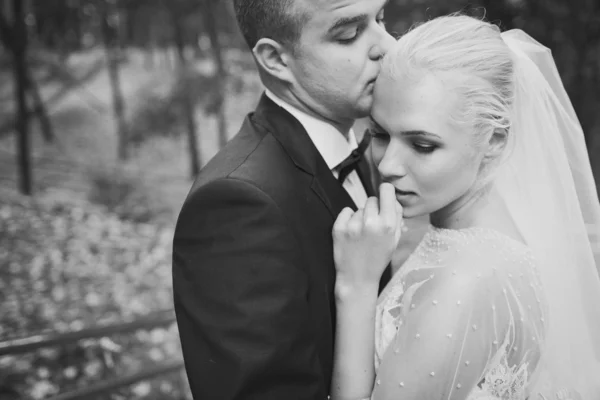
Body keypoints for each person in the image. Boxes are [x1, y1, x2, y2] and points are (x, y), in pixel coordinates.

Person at [331, 15, 600, 400]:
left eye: (422, 145)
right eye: (378, 134)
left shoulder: (466, 278)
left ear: (493, 140)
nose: (387, 164)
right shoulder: (490, 247)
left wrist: (356, 288)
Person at [172, 0, 395, 398]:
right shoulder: (236, 205)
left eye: (380, 19)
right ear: (276, 59)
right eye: (348, 33)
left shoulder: (372, 154)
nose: (387, 45)